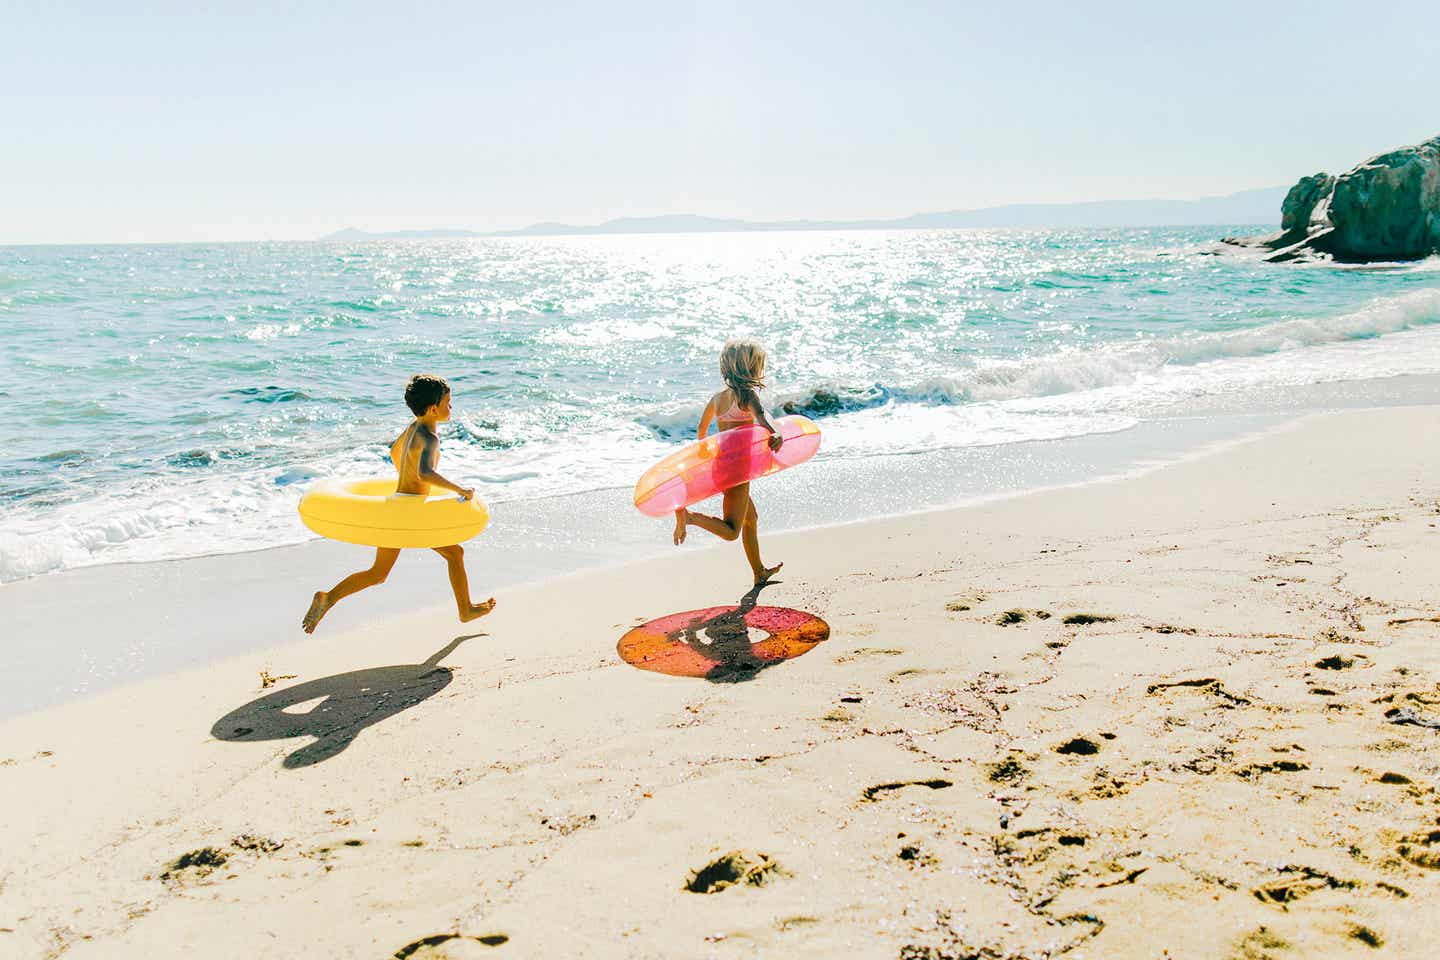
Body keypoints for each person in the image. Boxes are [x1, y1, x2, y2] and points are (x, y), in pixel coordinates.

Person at [301, 374, 495, 633]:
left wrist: (406, 480)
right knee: (455, 553)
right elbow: (425, 473)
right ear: (434, 408)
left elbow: (395, 451)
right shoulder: (430, 437)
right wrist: (459, 489)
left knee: (379, 573)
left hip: (397, 505)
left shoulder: (414, 427)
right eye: (449, 402)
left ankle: (328, 598)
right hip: (410, 513)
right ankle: (466, 610)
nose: (451, 407)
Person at [672, 338, 785, 585]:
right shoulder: (747, 396)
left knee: (750, 518)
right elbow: (763, 417)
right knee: (732, 530)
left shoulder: (717, 399)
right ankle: (689, 517)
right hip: (739, 471)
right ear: (751, 368)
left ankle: (759, 572)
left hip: (721, 467)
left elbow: (701, 431)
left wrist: (703, 456)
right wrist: (774, 433)